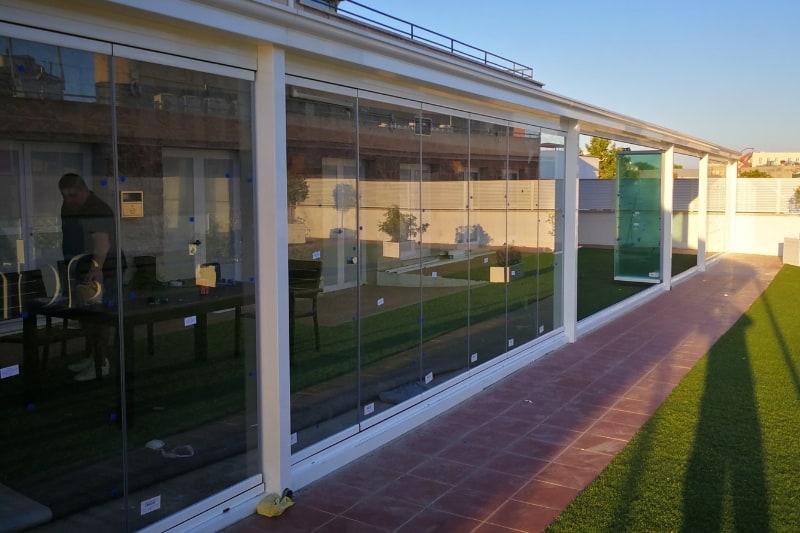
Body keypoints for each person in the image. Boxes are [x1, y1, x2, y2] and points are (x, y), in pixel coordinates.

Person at [59, 173, 123, 381]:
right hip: (80, 267)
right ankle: (92, 357)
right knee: (86, 316)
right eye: (65, 196)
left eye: (73, 195)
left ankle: (101, 362)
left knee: (99, 315)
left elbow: (101, 244)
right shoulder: (69, 207)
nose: (69, 200)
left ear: (84, 190)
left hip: (101, 269)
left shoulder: (97, 208)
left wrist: (97, 269)